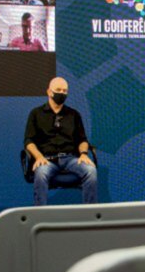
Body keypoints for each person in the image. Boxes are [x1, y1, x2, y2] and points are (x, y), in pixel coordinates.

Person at [23, 77, 97, 206]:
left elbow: (83, 140)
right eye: (58, 90)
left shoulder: (74, 115)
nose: (61, 93)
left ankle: (90, 214)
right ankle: (40, 216)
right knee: (40, 173)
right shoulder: (36, 113)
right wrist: (38, 157)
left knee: (90, 171)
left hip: (71, 159)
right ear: (49, 92)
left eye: (65, 91)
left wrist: (84, 154)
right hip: (47, 159)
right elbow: (29, 141)